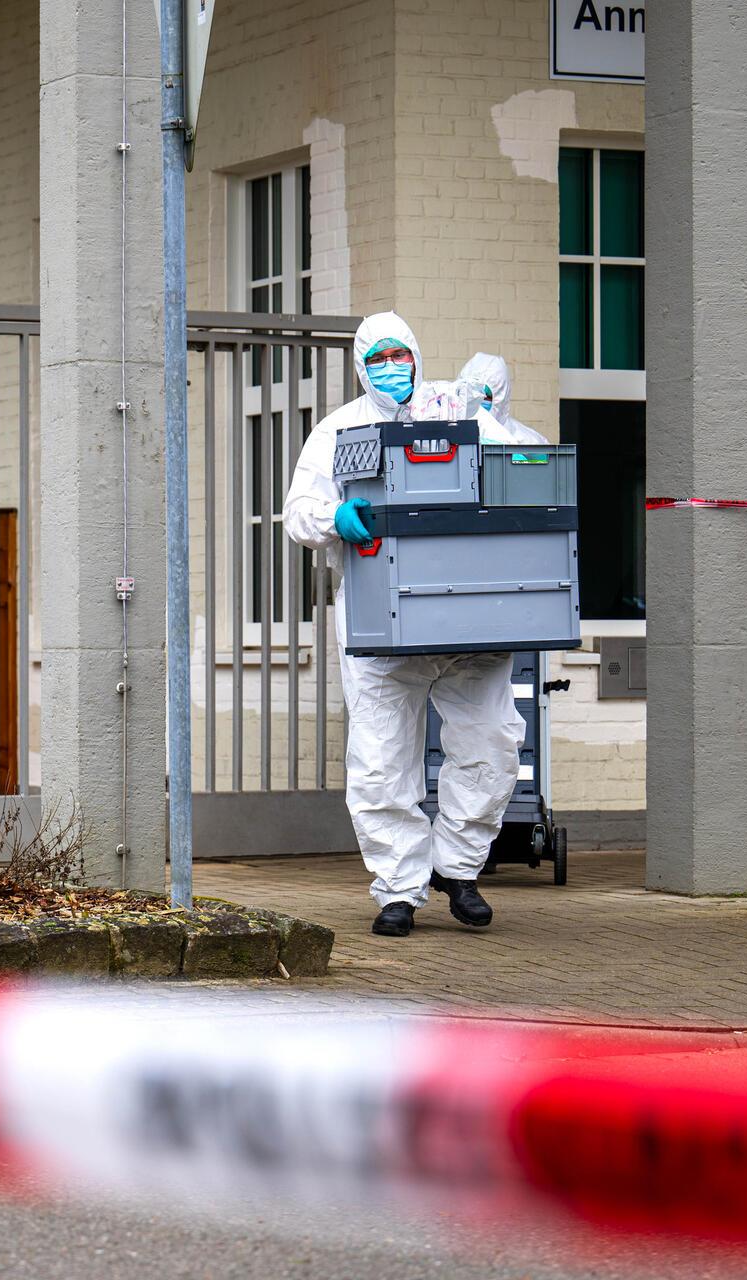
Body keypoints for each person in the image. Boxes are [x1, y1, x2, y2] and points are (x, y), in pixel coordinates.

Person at [282, 317, 533, 938]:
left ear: (417, 356)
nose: (392, 365)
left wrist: (491, 412)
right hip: (383, 624)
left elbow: (521, 468)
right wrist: (335, 516)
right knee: (381, 762)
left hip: (471, 617)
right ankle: (399, 890)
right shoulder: (338, 429)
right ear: (361, 366)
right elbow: (298, 512)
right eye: (379, 357)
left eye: (401, 354)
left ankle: (459, 868)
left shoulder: (456, 409)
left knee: (493, 744)